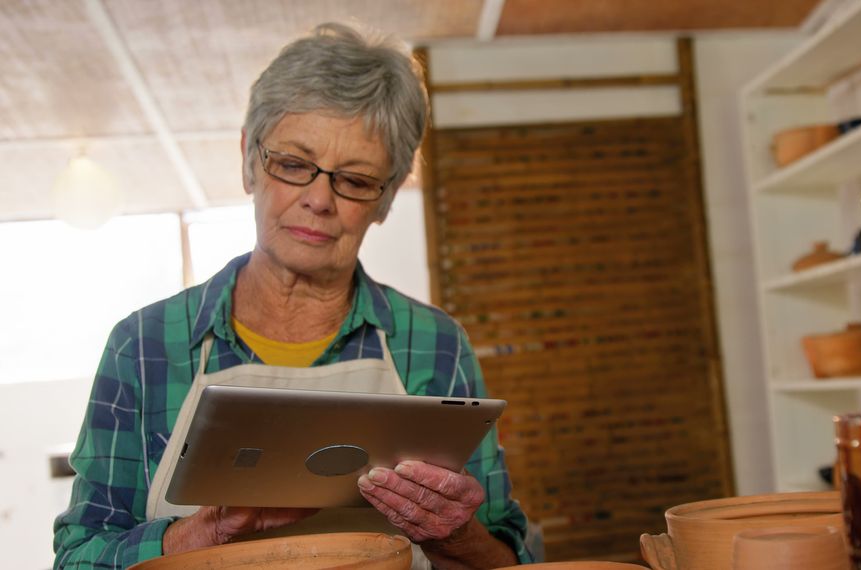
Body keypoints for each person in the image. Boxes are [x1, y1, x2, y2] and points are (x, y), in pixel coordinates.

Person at [53, 22, 534, 569]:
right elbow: (76, 558)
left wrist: (452, 535)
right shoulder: (143, 347)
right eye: (294, 165)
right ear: (248, 161)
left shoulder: (435, 344)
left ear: (385, 199)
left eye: (354, 180)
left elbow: (507, 563)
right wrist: (200, 532)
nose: (318, 199)